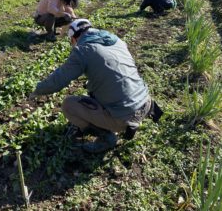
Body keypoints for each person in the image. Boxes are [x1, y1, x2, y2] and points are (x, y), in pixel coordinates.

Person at [30, 19, 162, 153]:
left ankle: (106, 137)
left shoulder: (83, 51)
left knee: (69, 105)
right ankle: (122, 118)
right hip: (145, 102)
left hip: (125, 115)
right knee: (93, 88)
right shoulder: (117, 41)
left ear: (74, 38)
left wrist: (37, 89)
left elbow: (57, 81)